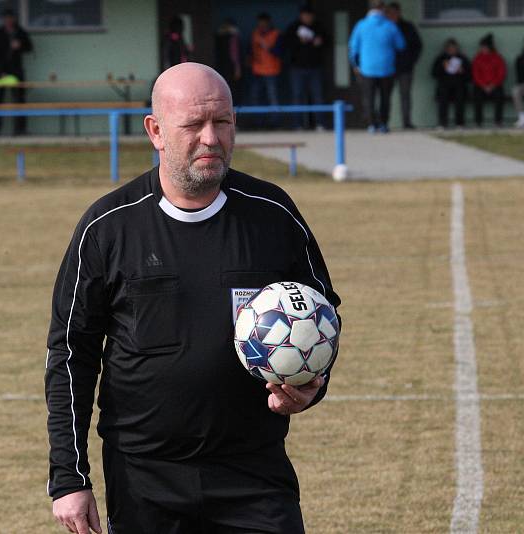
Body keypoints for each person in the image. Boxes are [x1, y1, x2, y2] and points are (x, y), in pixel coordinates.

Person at [46, 62, 341, 534]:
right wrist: (69, 477)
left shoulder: (274, 214)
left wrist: (311, 388)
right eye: (194, 125)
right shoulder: (107, 228)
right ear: (156, 131)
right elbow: (69, 356)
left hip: (253, 472)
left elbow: (323, 316)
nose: (211, 137)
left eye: (222, 122)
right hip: (144, 479)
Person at [349, 0, 405, 134]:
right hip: (387, 68)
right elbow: (401, 45)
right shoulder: (390, 25)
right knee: (385, 98)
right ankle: (384, 124)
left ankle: (371, 125)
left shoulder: (361, 25)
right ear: (383, 10)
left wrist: (355, 65)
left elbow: (353, 48)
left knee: (369, 98)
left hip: (367, 68)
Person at [0, 9, 33, 136]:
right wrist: (1, 71)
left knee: (19, 99)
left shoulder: (20, 32)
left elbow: (29, 47)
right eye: (6, 18)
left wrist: (19, 46)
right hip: (0, 71)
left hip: (16, 70)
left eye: (11, 18)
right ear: (3, 19)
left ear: (14, 19)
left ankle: (20, 129)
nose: (8, 20)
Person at [285, 6, 329, 129]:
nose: (307, 18)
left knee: (317, 96)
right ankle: (297, 124)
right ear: (301, 16)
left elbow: (328, 42)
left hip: (315, 68)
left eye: (310, 15)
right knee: (297, 96)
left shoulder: (319, 27)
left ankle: (320, 124)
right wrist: (299, 42)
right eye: (305, 15)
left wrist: (320, 42)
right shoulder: (293, 27)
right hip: (297, 68)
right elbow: (286, 45)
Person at [385, 2, 422, 129]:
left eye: (394, 13)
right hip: (387, 68)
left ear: (399, 13)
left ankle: (406, 122)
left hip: (405, 68)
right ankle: (385, 122)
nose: (392, 15)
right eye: (389, 13)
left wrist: (411, 61)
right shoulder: (384, 26)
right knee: (386, 95)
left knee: (405, 96)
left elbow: (417, 46)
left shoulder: (408, 27)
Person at [248, 12, 282, 128]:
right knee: (255, 97)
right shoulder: (255, 34)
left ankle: (274, 123)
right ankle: (257, 122)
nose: (262, 25)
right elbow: (250, 51)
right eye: (260, 22)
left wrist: (264, 44)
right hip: (257, 71)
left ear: (269, 22)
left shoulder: (276, 34)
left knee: (273, 98)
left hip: (271, 71)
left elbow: (278, 52)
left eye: (264, 22)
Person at [431, 38, 471, 129]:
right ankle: (442, 123)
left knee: (460, 97)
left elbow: (469, 77)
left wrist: (462, 71)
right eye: (450, 48)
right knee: (442, 98)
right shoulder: (441, 58)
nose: (452, 50)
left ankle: (459, 123)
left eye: (454, 48)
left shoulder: (462, 58)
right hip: (444, 85)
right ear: (446, 49)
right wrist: (443, 67)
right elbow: (434, 73)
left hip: (459, 86)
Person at [471, 33, 506, 128]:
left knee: (499, 95)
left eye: (485, 47)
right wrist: (483, 85)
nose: (483, 49)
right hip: (481, 86)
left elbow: (501, 74)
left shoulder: (497, 58)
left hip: (494, 86)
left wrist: (493, 85)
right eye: (482, 47)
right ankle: (478, 121)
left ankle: (498, 121)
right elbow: (475, 74)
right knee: (476, 95)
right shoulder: (477, 58)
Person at [214, 19, 242, 105]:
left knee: (232, 85)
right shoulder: (221, 37)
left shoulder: (234, 37)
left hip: (231, 65)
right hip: (224, 65)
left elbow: (235, 54)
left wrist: (237, 67)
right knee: (225, 85)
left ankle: (233, 103)